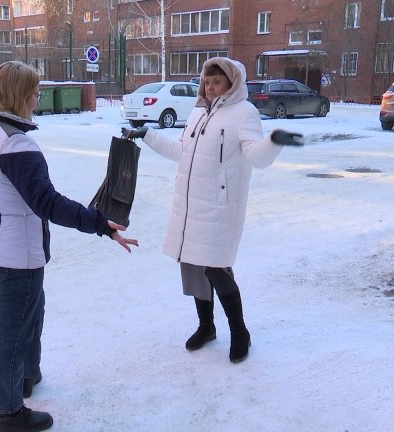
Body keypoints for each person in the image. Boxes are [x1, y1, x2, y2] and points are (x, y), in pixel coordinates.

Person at [0, 61, 138, 432]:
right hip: (14, 252)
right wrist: (99, 223)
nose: (37, 99)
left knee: (30, 312)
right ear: (20, 95)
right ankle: (9, 412)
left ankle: (26, 375)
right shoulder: (15, 144)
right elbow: (48, 202)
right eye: (35, 92)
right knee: (12, 331)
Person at [122, 57, 303, 363]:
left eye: (216, 82)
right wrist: (148, 135)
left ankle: (240, 332)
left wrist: (275, 141)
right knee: (193, 266)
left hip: (220, 208)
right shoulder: (197, 113)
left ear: (232, 84)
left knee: (216, 269)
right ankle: (206, 327)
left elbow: (257, 156)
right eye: (207, 81)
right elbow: (182, 153)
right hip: (190, 204)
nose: (209, 87)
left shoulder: (244, 113)